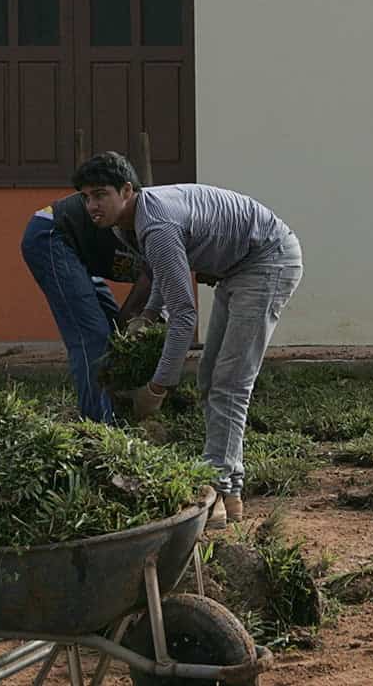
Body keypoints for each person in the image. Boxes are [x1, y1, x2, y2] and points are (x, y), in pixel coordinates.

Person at [74, 152, 304, 529]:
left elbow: (184, 316)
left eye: (100, 194)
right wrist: (148, 314)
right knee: (210, 377)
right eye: (86, 197)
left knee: (229, 383)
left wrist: (158, 386)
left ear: (127, 190)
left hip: (268, 260)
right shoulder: (125, 225)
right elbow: (168, 274)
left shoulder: (155, 225)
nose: (92, 205)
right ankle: (230, 494)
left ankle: (215, 489)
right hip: (239, 266)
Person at [21, 189, 151, 423]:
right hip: (52, 233)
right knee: (94, 336)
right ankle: (96, 427)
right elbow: (135, 309)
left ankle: (115, 409)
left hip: (80, 251)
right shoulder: (161, 238)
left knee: (112, 333)